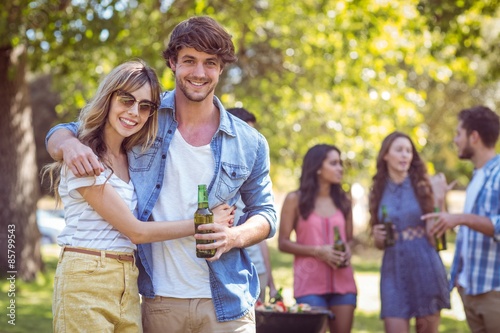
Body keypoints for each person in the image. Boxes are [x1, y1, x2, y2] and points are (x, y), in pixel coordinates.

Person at [45, 16, 276, 332]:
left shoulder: (249, 142)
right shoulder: (145, 114)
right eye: (189, 61)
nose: (198, 72)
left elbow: (266, 213)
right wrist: (67, 144)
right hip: (160, 300)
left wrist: (234, 236)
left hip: (228, 299)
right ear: (172, 63)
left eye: (210, 63)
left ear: (222, 68)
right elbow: (78, 129)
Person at [42, 59, 234, 332]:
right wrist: (203, 221)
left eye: (145, 106)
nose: (134, 112)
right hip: (85, 277)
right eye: (126, 100)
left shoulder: (133, 157)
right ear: (109, 98)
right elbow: (136, 232)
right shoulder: (84, 157)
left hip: (128, 280)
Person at [422, 105, 500, 333]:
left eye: (458, 133)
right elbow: (466, 234)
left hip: (494, 291)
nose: (455, 140)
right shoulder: (478, 175)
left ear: (473, 137)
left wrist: (461, 217)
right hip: (471, 290)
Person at [369, 131, 450, 333]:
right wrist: (377, 238)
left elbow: (436, 234)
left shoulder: (424, 185)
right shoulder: (377, 190)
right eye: (399, 150)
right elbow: (379, 240)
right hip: (392, 268)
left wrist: (439, 200)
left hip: (425, 263)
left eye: (408, 151)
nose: (405, 155)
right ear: (386, 155)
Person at [278, 144, 357, 333]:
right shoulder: (294, 199)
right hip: (309, 285)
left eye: (340, 163)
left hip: (344, 284)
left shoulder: (344, 201)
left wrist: (347, 250)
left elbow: (350, 239)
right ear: (318, 168)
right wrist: (317, 251)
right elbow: (283, 242)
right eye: (334, 163)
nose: (340, 168)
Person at [227, 107, 277, 303]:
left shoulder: (254, 178)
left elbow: (262, 234)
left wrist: (271, 281)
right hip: (233, 271)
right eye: (246, 133)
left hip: (258, 271)